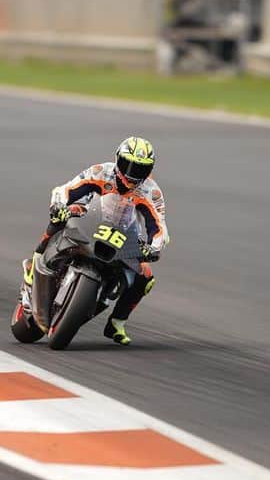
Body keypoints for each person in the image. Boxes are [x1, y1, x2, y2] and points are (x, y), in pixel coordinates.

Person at [26, 137, 168, 346]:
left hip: (123, 236)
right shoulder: (101, 171)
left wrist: (153, 248)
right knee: (61, 216)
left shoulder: (151, 192)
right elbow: (66, 189)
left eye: (140, 169)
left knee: (145, 277)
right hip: (89, 218)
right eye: (129, 165)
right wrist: (59, 205)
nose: (132, 173)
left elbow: (159, 227)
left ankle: (117, 323)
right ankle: (36, 259)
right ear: (118, 160)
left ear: (149, 170)